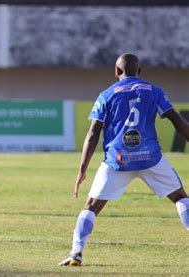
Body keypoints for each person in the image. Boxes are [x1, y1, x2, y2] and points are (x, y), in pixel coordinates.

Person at [59, 53, 189, 267]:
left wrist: (82, 169)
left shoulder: (106, 94)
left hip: (117, 160)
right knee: (180, 198)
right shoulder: (154, 91)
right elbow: (177, 119)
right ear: (139, 71)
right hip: (150, 159)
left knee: (91, 206)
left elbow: (93, 133)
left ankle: (76, 253)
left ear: (117, 71)